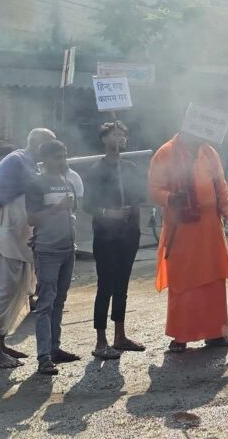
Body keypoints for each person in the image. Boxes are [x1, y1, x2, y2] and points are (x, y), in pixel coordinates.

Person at [149, 132, 228, 353]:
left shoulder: (209, 152)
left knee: (214, 280)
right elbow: (154, 190)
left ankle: (216, 333)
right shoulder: (166, 153)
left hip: (210, 230)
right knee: (183, 282)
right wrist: (171, 198)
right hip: (182, 229)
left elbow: (220, 184)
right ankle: (181, 336)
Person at [0, 128, 56, 368]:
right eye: (48, 145)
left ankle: (1, 345)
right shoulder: (16, 161)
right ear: (37, 144)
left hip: (22, 238)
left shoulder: (32, 164)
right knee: (5, 290)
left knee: (19, 290)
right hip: (8, 236)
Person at [83, 121, 146, 360]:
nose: (120, 139)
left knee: (122, 285)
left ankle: (120, 335)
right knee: (105, 286)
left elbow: (139, 199)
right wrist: (109, 213)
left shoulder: (130, 168)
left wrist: (134, 227)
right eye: (115, 135)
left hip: (128, 234)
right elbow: (87, 205)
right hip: (105, 235)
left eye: (123, 135)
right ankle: (101, 341)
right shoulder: (95, 170)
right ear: (103, 139)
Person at [25, 140, 81, 375]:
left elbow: (73, 210)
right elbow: (31, 218)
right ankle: (44, 356)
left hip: (68, 248)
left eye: (64, 156)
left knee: (60, 301)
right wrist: (57, 208)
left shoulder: (67, 181)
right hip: (48, 250)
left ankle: (54, 348)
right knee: (45, 303)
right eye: (58, 157)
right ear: (45, 159)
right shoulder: (36, 184)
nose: (62, 161)